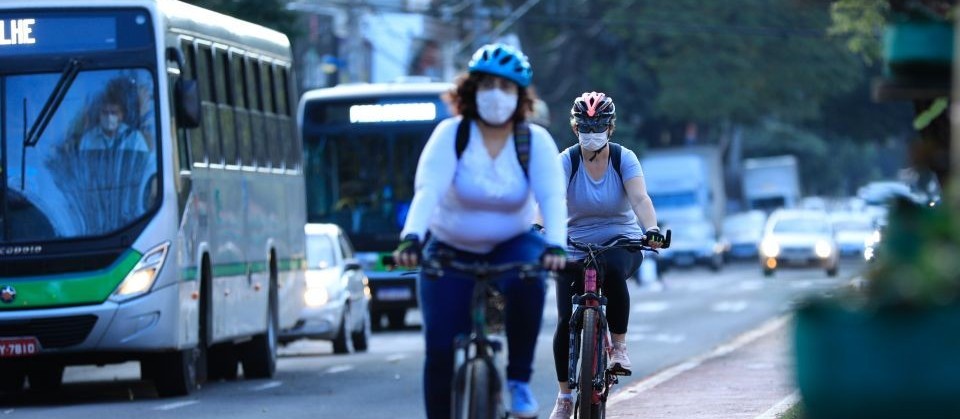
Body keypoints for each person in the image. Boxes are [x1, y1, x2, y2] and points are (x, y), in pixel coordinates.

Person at [392, 43, 568, 419]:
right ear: (470, 90)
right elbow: (428, 191)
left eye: (506, 88)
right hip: (450, 245)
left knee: (529, 278)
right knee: (439, 348)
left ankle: (518, 381)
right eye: (487, 85)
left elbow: (552, 197)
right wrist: (412, 237)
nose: (495, 95)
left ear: (521, 97)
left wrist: (555, 245)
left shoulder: (533, 141)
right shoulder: (450, 135)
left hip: (511, 243)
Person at [547, 92, 666, 419]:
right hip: (574, 243)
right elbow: (550, 201)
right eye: (585, 126)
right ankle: (565, 397)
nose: (591, 132)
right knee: (562, 319)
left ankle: (619, 347)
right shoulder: (565, 161)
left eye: (598, 125)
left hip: (620, 240)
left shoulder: (623, 158)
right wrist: (536, 226)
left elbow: (640, 199)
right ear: (575, 127)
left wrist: (652, 228)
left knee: (613, 270)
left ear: (610, 128)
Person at [79, 79, 149, 152]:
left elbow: (146, 162)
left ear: (122, 115)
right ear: (99, 114)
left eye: (114, 113)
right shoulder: (88, 138)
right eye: (105, 112)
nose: (109, 117)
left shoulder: (134, 138)